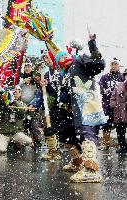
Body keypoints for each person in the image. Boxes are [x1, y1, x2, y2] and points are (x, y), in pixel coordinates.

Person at [52, 34, 106, 182]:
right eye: (59, 61)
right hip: (74, 109)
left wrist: (92, 44)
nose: (61, 61)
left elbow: (98, 63)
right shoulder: (65, 74)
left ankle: (90, 170)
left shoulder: (79, 61)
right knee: (66, 132)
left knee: (86, 133)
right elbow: (64, 95)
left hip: (87, 104)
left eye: (62, 58)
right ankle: (78, 162)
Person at [0, 86, 34, 153]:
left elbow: (22, 113)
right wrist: (2, 106)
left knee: (28, 141)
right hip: (4, 133)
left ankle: (17, 145)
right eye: (12, 93)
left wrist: (14, 101)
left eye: (16, 93)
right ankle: (9, 144)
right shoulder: (2, 104)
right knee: (0, 150)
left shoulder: (22, 104)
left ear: (20, 94)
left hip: (16, 132)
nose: (14, 94)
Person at [98, 58, 125, 150]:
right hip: (107, 105)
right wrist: (105, 91)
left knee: (119, 125)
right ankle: (106, 144)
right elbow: (100, 88)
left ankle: (120, 144)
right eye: (112, 64)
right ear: (110, 65)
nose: (114, 66)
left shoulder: (122, 77)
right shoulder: (104, 77)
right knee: (106, 125)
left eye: (116, 64)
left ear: (119, 66)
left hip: (119, 106)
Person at [110, 79, 127, 153]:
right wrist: (115, 106)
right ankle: (122, 146)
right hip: (119, 112)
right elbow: (113, 98)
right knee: (120, 130)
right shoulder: (119, 85)